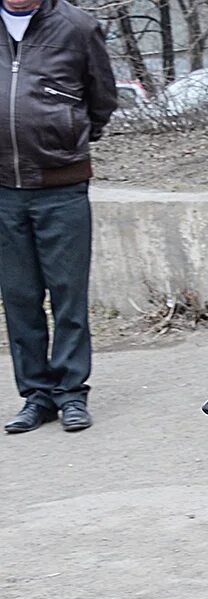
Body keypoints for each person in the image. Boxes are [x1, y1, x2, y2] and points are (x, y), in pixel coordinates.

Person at [0, 0, 117, 433]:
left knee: (68, 295)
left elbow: (101, 99)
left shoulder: (78, 27)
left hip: (61, 186)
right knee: (19, 296)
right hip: (2, 190)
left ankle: (70, 394)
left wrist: (69, 138)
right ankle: (35, 396)